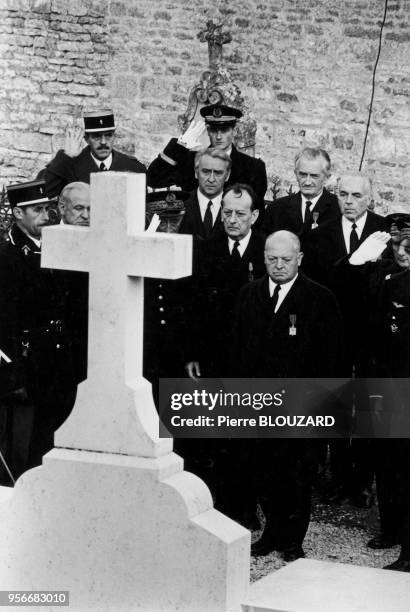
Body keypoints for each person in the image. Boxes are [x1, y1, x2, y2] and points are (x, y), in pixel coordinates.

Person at [232, 231, 343, 560]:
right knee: (263, 470)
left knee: (296, 475)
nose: (278, 265)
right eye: (272, 259)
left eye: (286, 259)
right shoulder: (249, 295)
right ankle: (272, 533)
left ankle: (292, 539)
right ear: (263, 257)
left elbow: (334, 359)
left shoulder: (320, 299)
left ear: (300, 259)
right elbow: (236, 351)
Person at [183, 183, 266, 528]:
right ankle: (206, 507)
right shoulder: (207, 249)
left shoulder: (266, 252)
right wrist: (192, 352)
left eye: (240, 214)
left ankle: (242, 511)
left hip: (251, 359)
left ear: (254, 216)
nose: (232, 220)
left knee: (245, 440)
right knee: (209, 439)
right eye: (227, 213)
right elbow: (191, 307)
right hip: (213, 356)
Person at [302, 174, 387, 507]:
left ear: (369, 198)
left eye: (356, 195)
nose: (349, 201)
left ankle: (362, 480)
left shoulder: (384, 232)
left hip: (372, 335)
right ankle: (337, 477)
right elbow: (319, 285)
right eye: (343, 194)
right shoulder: (320, 236)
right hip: (333, 333)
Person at [0, 180, 77, 482]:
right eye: (36, 210)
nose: (45, 215)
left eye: (47, 208)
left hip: (56, 361)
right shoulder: (8, 257)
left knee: (50, 435)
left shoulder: (55, 246)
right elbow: (4, 321)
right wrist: (12, 373)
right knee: (24, 443)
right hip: (26, 364)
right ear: (18, 213)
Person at [147, 103, 267, 217]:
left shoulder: (253, 167)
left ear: (234, 131)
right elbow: (153, 180)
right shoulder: (191, 160)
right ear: (208, 131)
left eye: (224, 130)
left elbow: (257, 212)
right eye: (214, 130)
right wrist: (179, 145)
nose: (219, 136)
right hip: (196, 228)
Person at [42, 110, 146, 198]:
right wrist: (66, 157)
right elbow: (43, 193)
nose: (103, 142)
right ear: (87, 139)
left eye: (108, 136)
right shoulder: (69, 166)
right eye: (97, 136)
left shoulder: (133, 167)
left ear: (114, 137)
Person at [262, 147, 340, 236]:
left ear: (326, 177)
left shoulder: (339, 209)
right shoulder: (276, 208)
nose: (307, 182)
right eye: (303, 174)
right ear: (295, 173)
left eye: (314, 176)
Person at [179, 147, 231, 240]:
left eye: (218, 173)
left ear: (227, 175)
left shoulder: (235, 206)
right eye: (206, 172)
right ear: (196, 172)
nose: (211, 179)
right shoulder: (181, 204)